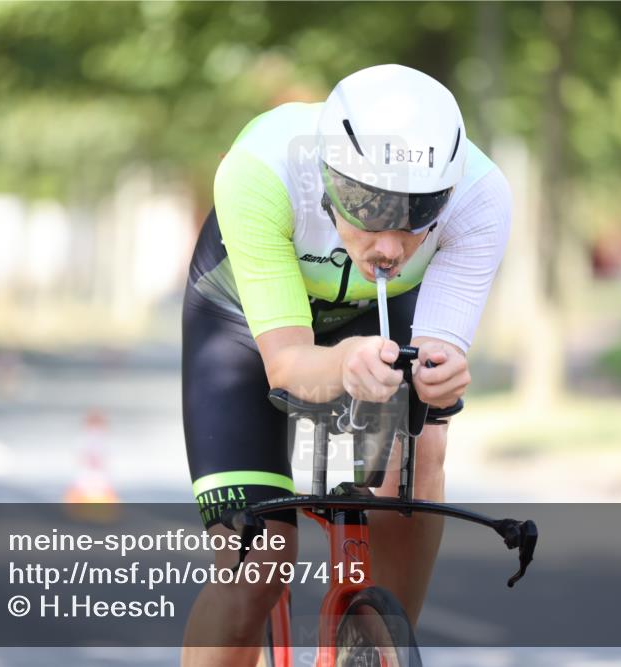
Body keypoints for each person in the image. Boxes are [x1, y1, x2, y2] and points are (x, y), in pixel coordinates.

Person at [181, 63, 512, 666]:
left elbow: (439, 358)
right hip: (241, 322)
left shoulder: (482, 197)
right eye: (369, 206)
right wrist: (343, 366)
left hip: (373, 312)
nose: (391, 244)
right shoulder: (260, 171)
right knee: (256, 570)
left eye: (420, 211)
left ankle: (379, 643)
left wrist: (441, 379)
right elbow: (285, 367)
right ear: (331, 180)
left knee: (426, 441)